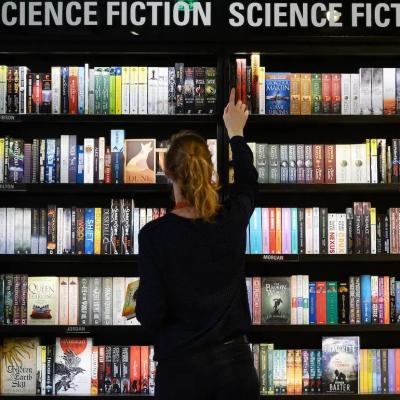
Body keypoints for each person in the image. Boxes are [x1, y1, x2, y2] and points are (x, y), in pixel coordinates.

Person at [135, 88, 259, 400]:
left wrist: (141, 296)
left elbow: (150, 316)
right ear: (209, 168)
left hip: (182, 373)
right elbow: (248, 183)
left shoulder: (154, 236)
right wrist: (235, 133)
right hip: (236, 371)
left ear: (168, 173)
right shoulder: (230, 220)